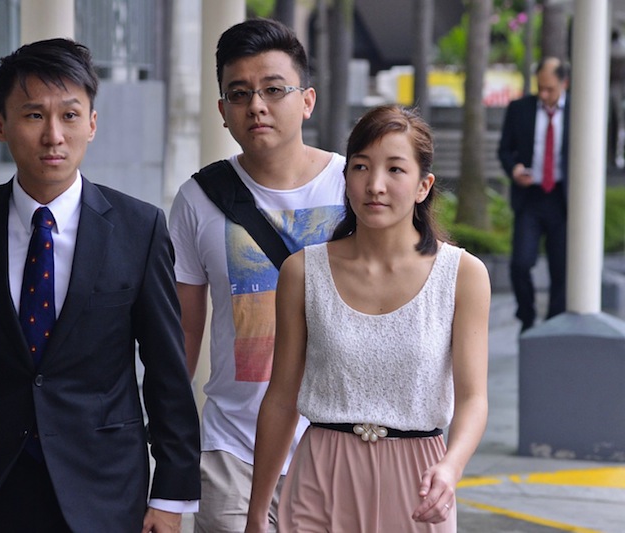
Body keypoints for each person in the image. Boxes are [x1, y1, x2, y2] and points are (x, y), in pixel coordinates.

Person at [0, 38, 200, 533]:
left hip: (103, 488)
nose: (53, 136)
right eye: (33, 116)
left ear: (92, 123)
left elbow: (167, 372)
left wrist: (170, 496)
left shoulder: (139, 228)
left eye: (69, 115)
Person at [246, 105, 490, 532]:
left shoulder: (463, 275)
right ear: (346, 178)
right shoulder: (302, 272)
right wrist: (255, 515)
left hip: (418, 481)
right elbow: (281, 398)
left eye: (395, 169)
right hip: (321, 476)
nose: (375, 185)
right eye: (361, 167)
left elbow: (473, 398)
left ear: (423, 186)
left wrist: (451, 467)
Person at [169, 18, 346, 533]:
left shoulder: (353, 185)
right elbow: (183, 333)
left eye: (274, 89)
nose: (257, 106)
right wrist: (169, 445)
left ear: (307, 100)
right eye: (239, 93)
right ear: (222, 110)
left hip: (335, 447)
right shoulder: (198, 199)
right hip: (232, 449)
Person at [497, 57, 570, 333]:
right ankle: (527, 318)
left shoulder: (579, 110)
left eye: (550, 89)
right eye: (540, 87)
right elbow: (504, 150)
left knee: (561, 268)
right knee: (520, 263)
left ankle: (553, 325)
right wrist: (514, 169)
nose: (544, 94)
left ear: (564, 84)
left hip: (563, 199)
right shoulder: (520, 109)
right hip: (530, 197)